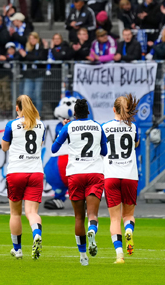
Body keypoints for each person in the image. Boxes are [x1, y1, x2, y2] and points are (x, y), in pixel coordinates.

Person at [51, 98, 108, 266]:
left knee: (78, 217)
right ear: (88, 112)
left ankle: (83, 256)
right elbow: (104, 151)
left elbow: (54, 148)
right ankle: (92, 230)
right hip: (94, 173)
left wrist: (64, 129)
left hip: (75, 174)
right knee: (92, 214)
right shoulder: (98, 126)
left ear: (74, 113)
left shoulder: (68, 126)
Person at [1, 95, 46, 260]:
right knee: (32, 212)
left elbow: (4, 147)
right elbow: (39, 144)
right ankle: (36, 232)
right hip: (35, 172)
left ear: (17, 108)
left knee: (15, 213)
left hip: (16, 172)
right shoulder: (41, 125)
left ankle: (17, 249)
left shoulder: (11, 125)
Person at [102, 95, 140, 264]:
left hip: (111, 175)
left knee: (114, 218)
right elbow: (136, 144)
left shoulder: (105, 128)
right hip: (130, 175)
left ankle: (119, 254)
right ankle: (129, 229)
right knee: (129, 215)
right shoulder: (134, 128)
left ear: (113, 109)